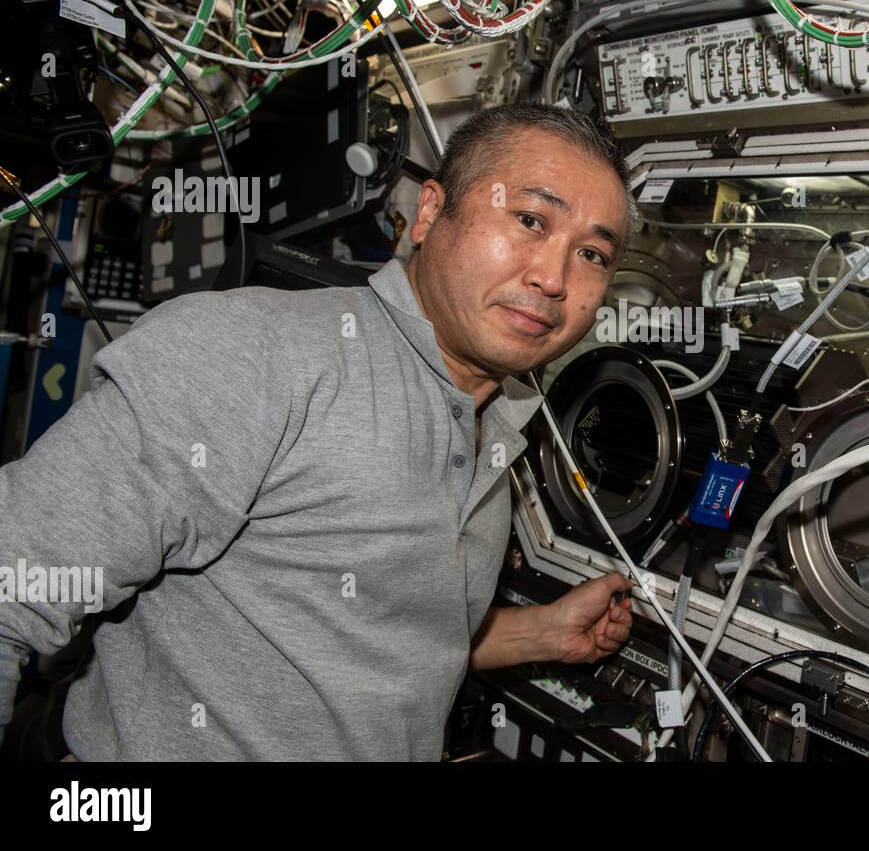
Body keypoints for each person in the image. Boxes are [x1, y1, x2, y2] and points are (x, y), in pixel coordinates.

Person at [0, 103, 639, 760]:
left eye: (591, 253)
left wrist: (542, 634)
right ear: (428, 213)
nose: (554, 278)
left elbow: (370, 635)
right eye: (530, 219)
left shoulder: (495, 429)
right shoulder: (253, 353)